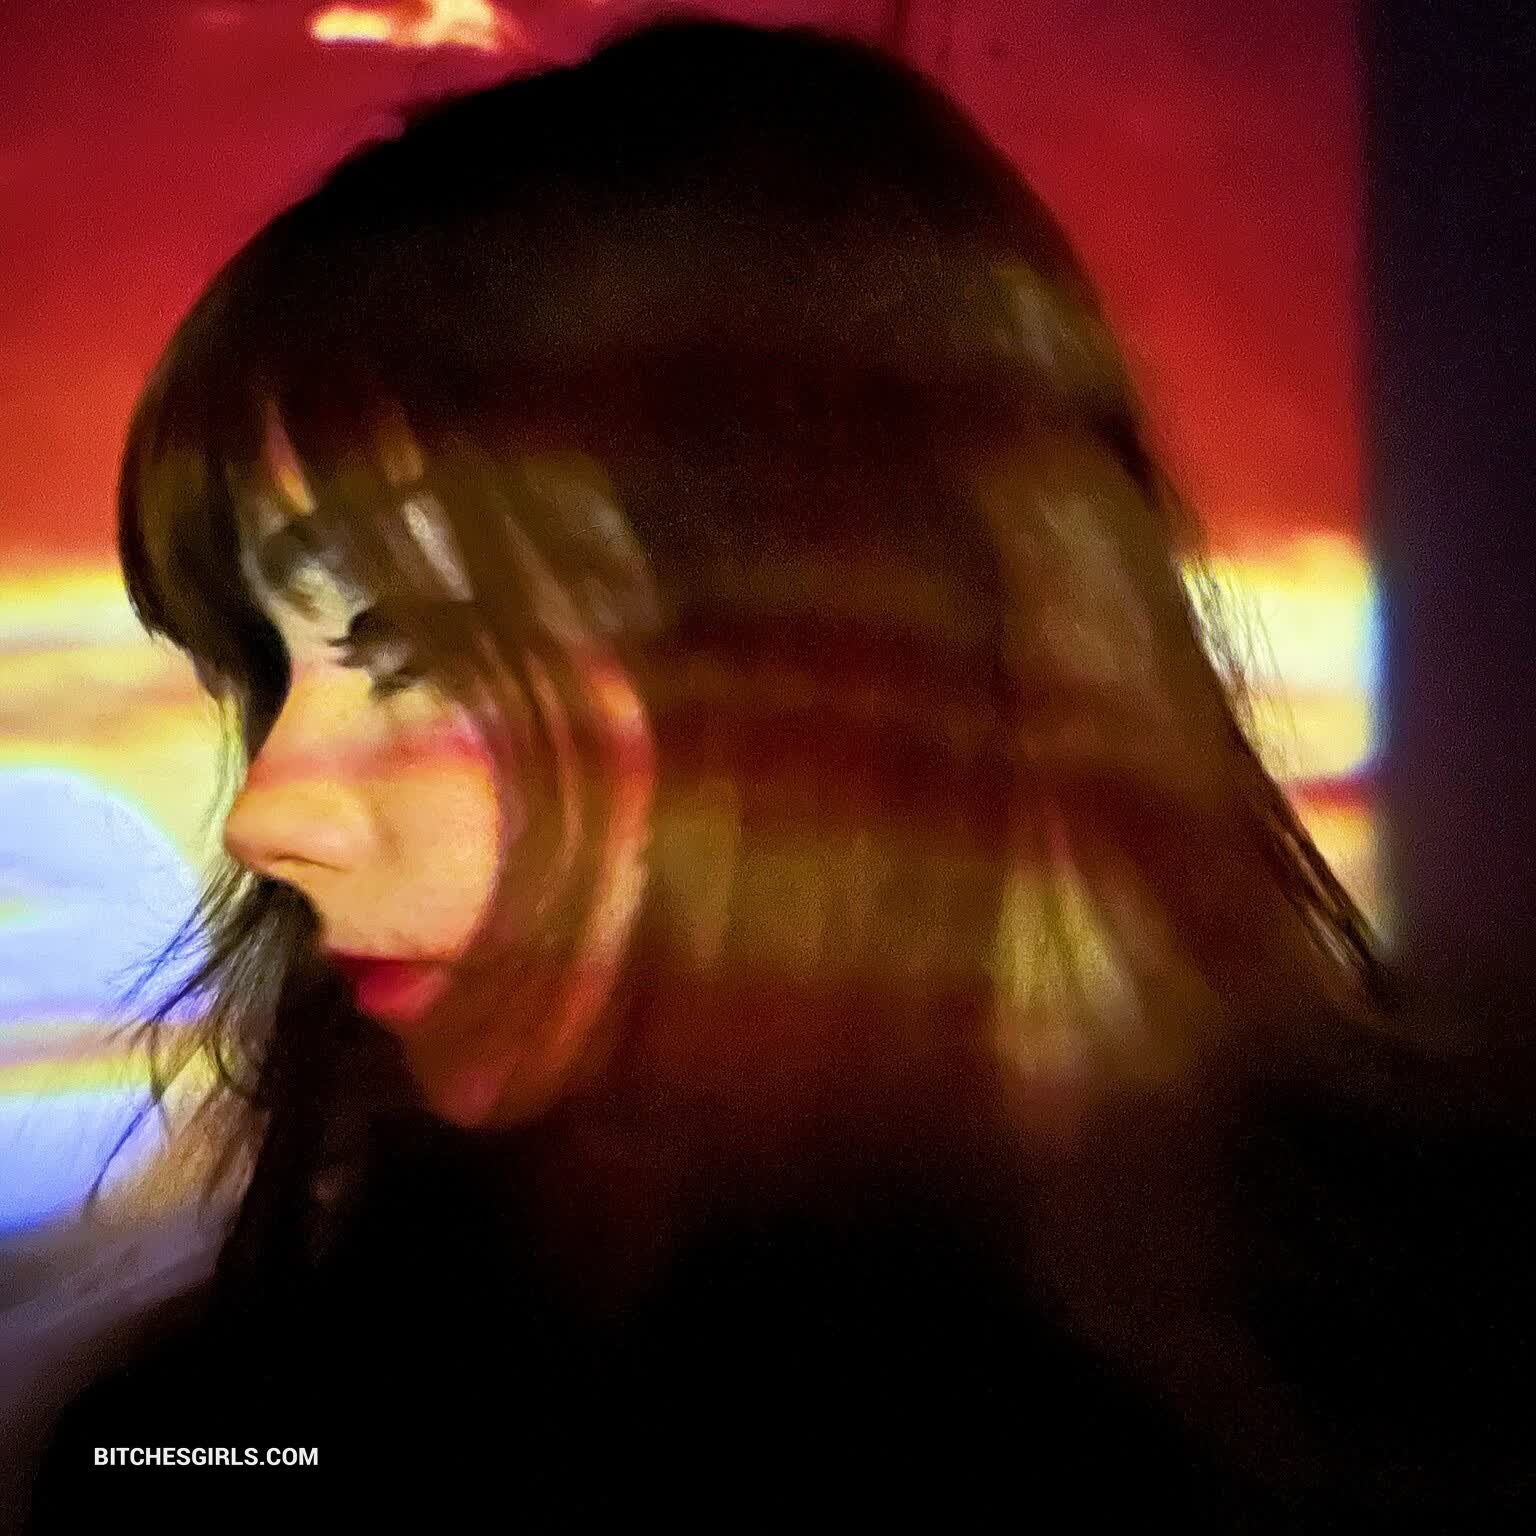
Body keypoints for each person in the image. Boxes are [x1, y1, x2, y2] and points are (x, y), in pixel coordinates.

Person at [27, 14, 1422, 1527]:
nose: (267, 816)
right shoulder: (236, 1442)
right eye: (265, 664)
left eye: (407, 637)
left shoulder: (1396, 1403)